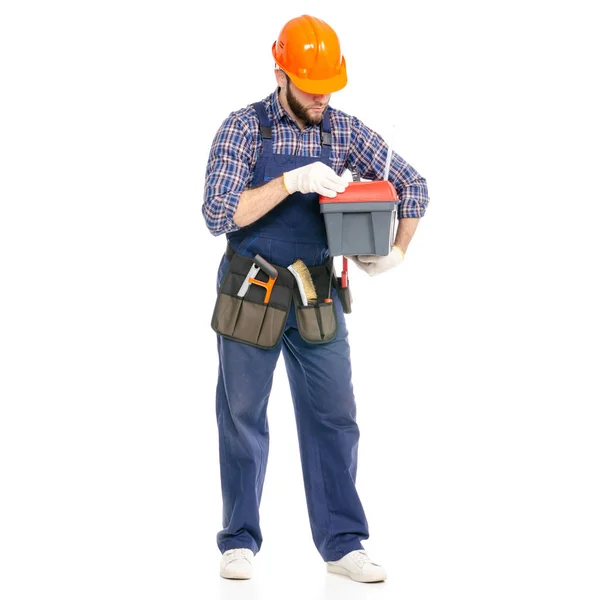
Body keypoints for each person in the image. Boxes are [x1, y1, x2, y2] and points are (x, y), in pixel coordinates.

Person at [202, 14, 429, 583]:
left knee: (334, 417)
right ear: (280, 73)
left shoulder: (345, 131)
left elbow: (415, 186)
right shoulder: (243, 130)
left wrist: (396, 252)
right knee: (242, 416)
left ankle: (343, 544)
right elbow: (217, 214)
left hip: (316, 295)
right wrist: (288, 182)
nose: (321, 97)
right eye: (309, 85)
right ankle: (239, 540)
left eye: (329, 85)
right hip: (251, 292)